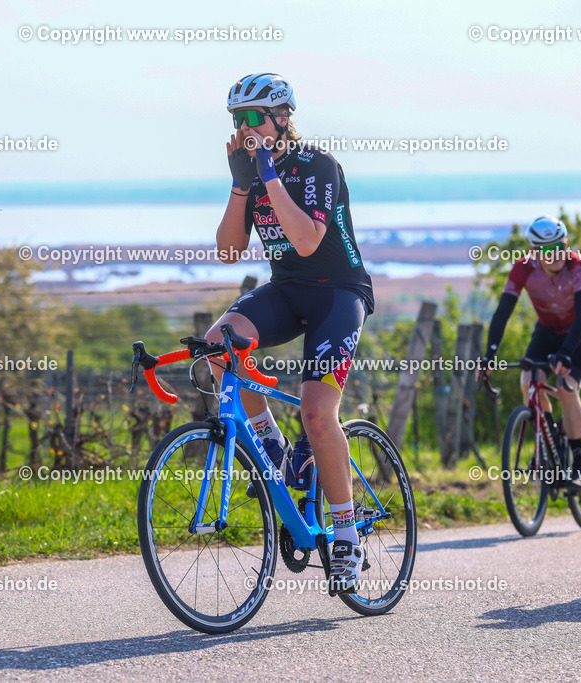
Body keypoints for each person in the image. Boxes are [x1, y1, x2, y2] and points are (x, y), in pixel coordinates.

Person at [210, 72, 375, 593]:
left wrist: (267, 174)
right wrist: (241, 183)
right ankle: (275, 449)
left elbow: (306, 242)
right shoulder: (252, 173)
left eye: (255, 118)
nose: (245, 128)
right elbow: (229, 251)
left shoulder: (318, 164)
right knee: (217, 350)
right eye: (238, 120)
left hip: (337, 293)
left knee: (317, 411)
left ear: (283, 118)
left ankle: (346, 532)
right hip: (287, 290)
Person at [478, 216, 581, 489]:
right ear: (535, 253)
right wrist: (490, 354)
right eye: (547, 250)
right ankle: (550, 444)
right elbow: (502, 312)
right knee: (528, 382)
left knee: (567, 387)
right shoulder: (523, 269)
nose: (556, 254)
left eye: (560, 246)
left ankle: (580, 461)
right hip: (547, 329)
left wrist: (568, 352)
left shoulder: (580, 266)